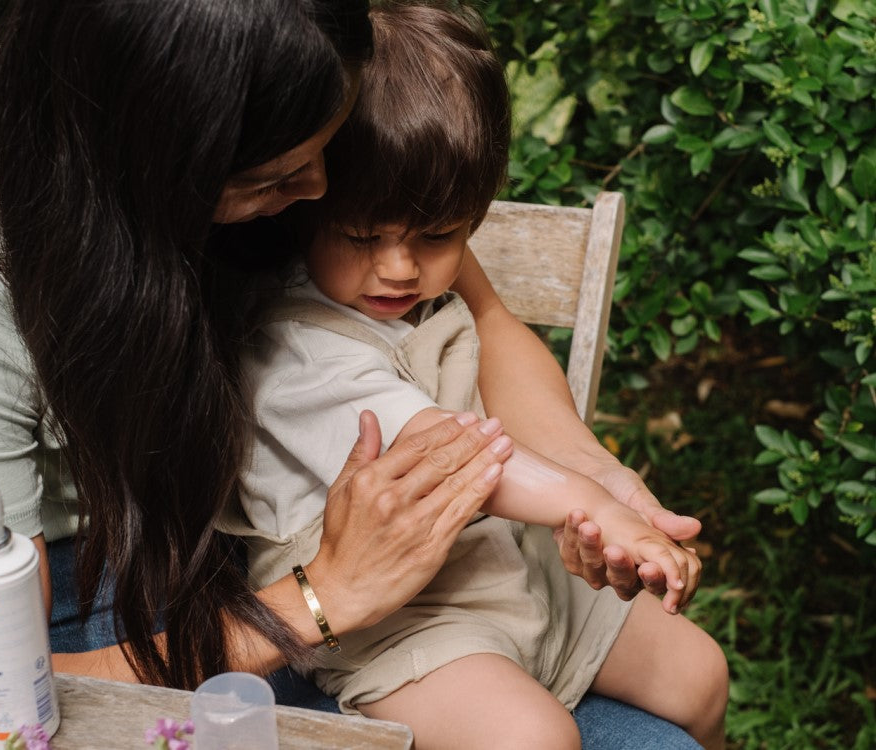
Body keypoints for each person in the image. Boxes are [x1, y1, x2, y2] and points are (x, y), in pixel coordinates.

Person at [0, 0, 712, 746]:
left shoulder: (293, 59)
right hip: (116, 605)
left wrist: (592, 477)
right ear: (159, 167)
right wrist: (324, 598)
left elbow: (486, 319)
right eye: (271, 177)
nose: (319, 190)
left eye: (326, 148)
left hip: (380, 570)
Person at [232, 3, 727, 749]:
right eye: (364, 236)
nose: (400, 267)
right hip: (400, 621)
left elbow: (500, 333)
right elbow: (449, 459)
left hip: (510, 566)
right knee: (533, 738)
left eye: (439, 234)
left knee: (699, 672)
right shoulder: (296, 347)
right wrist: (586, 501)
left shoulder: (405, 255)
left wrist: (602, 491)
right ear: (307, 209)